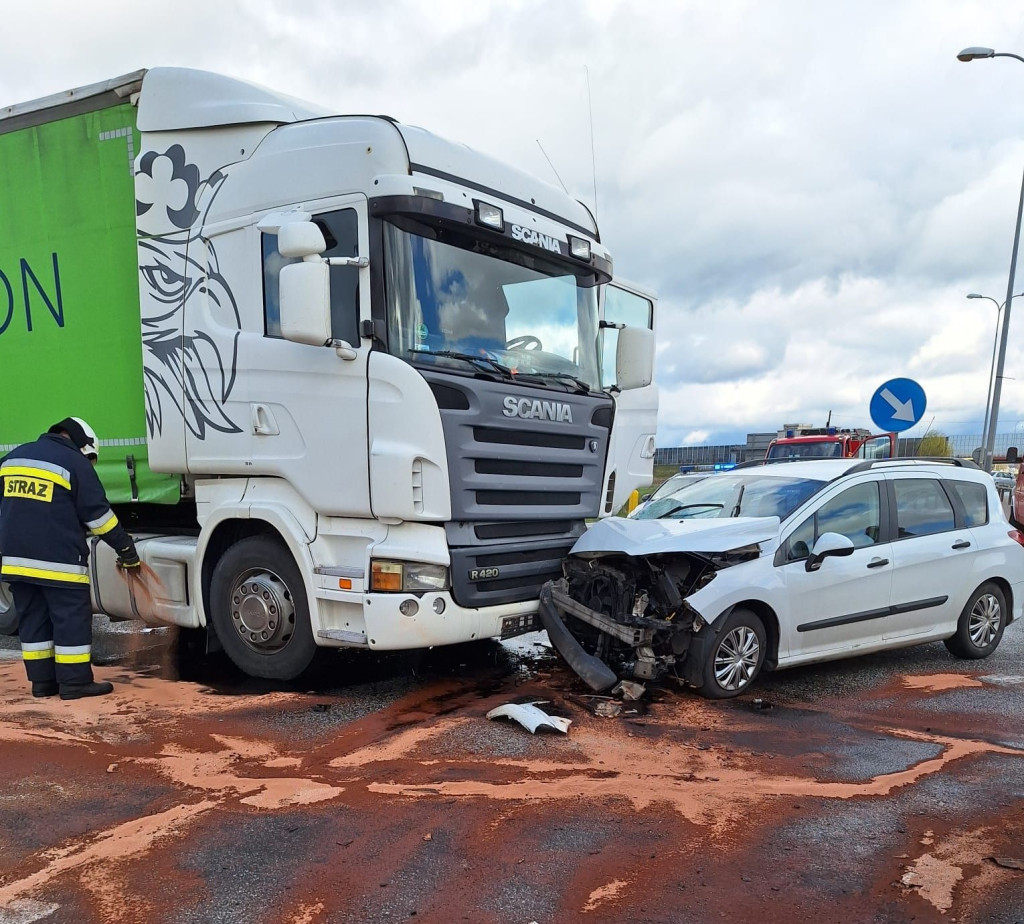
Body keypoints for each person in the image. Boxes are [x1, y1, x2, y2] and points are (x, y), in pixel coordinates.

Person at [0, 417, 140, 700]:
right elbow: (99, 517)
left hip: (16, 561)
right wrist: (126, 549)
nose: (90, 464)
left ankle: (42, 683)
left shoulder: (11, 459)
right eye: (91, 458)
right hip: (59, 562)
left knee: (33, 620)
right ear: (83, 445)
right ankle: (75, 683)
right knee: (70, 619)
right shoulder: (74, 463)